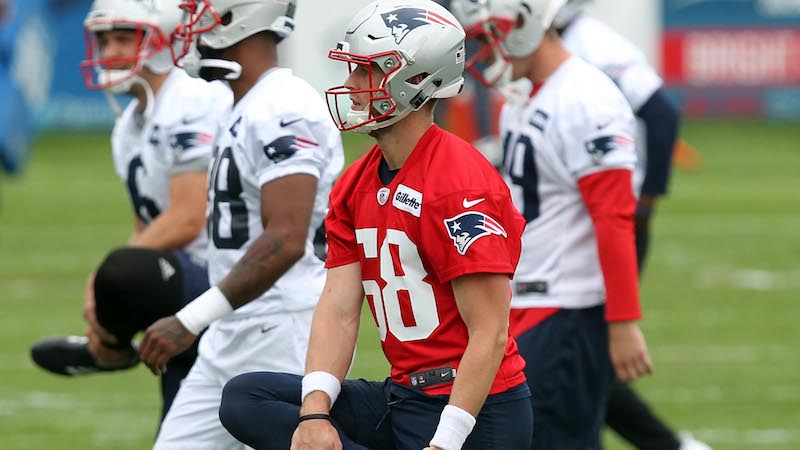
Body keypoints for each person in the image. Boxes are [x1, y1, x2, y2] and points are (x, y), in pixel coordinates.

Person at [217, 1, 533, 449]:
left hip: (475, 409)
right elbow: (339, 309)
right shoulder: (355, 184)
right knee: (246, 397)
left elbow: (490, 332)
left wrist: (445, 442)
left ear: (415, 79)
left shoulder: (458, 185)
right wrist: (314, 414)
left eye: (366, 70)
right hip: (404, 394)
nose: (350, 84)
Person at [138, 0, 345, 447]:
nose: (192, 25)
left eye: (203, 11)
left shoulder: (283, 105)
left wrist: (190, 319)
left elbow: (285, 239)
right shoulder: (247, 103)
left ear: (240, 16)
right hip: (235, 325)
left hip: (282, 329)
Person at [451, 0, 654, 448]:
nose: (487, 48)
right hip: (528, 301)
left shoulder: (587, 98)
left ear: (526, 23)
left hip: (566, 308)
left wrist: (622, 321)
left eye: (491, 34)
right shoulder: (525, 95)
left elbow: (613, 217)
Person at [30, 0, 231, 421]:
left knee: (124, 270)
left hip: (233, 276)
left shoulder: (192, 99)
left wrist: (105, 279)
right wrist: (109, 299)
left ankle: (109, 351)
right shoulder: (128, 126)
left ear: (164, 39)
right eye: (104, 41)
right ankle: (111, 344)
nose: (109, 52)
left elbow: (187, 217)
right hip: (188, 280)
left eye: (123, 39)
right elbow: (148, 228)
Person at [554, 4, 710, 450]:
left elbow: (661, 114)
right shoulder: (559, 50)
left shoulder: (594, 46)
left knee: (574, 358)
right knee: (570, 359)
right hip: (573, 220)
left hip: (604, 217)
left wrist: (646, 200)